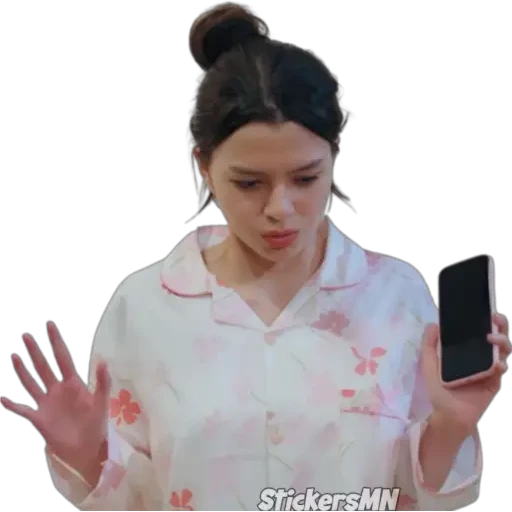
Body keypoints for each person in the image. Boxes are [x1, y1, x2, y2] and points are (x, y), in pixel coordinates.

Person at [2, 2, 510, 511]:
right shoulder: (146, 307)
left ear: (335, 153)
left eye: (306, 178)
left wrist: (451, 425)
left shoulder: (394, 296)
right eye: (249, 183)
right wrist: (86, 455)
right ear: (204, 168)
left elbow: (415, 498)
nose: (279, 210)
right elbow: (131, 499)